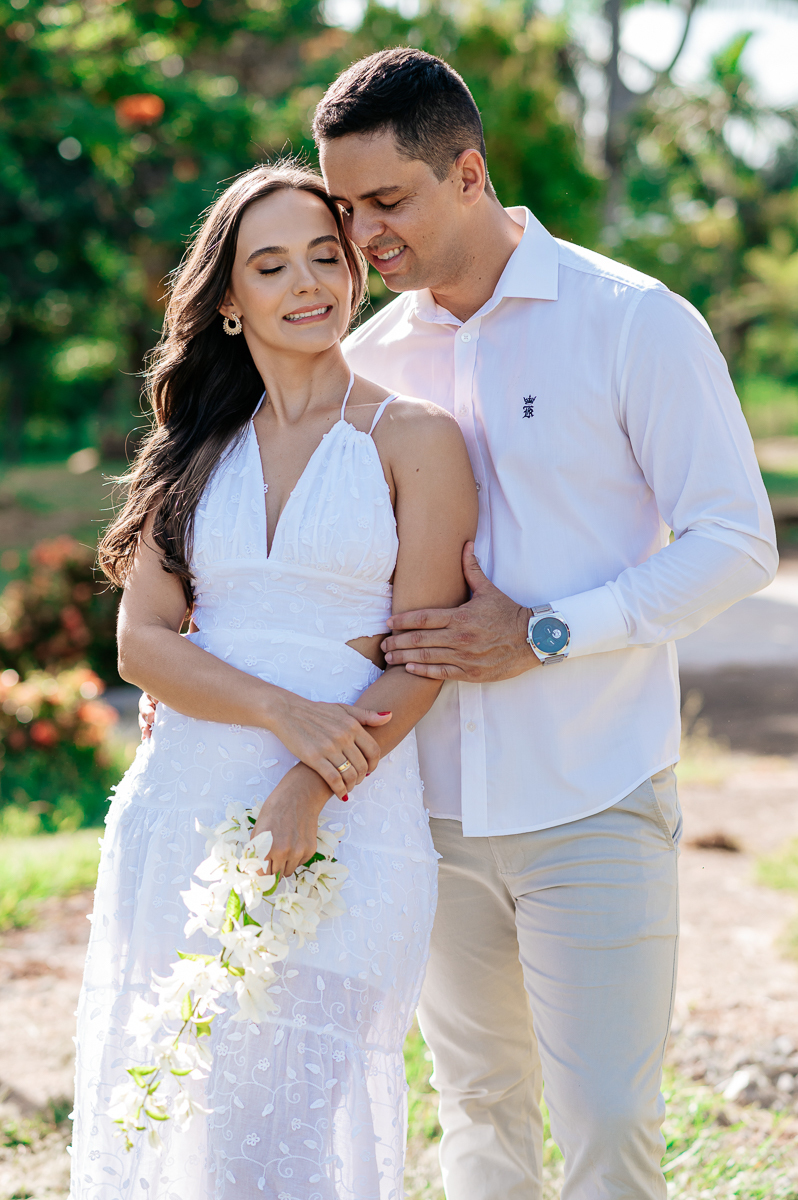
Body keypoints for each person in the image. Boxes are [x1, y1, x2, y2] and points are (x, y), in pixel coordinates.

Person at [313, 47, 777, 1200]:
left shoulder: (633, 322)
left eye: (387, 201)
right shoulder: (362, 364)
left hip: (595, 789)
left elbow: (736, 541)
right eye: (346, 207)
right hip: (427, 805)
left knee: (610, 1121)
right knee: (478, 1107)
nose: (363, 236)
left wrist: (547, 633)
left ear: (469, 173)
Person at [69, 160, 477, 1199]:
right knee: (183, 1123)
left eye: (325, 256)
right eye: (271, 265)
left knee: (278, 1137)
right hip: (184, 806)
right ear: (229, 301)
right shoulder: (193, 449)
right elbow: (142, 643)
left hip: (349, 813)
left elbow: (421, 653)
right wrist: (283, 713)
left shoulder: (416, 438)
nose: (308, 283)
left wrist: (310, 782)